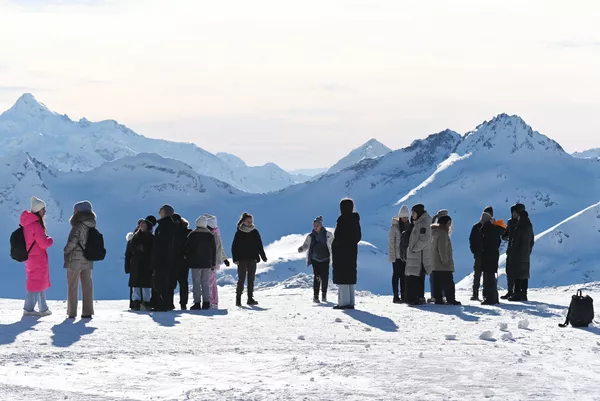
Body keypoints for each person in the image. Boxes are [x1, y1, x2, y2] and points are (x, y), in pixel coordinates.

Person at [20, 197, 54, 317]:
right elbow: (43, 243)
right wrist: (50, 240)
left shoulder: (27, 224)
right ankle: (29, 309)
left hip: (31, 257)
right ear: (38, 210)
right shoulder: (36, 225)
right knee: (35, 282)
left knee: (38, 281)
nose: (45, 211)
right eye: (43, 209)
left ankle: (43, 308)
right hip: (37, 258)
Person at [64, 201, 96, 319]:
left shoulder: (77, 226)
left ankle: (72, 312)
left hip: (75, 259)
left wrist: (66, 250)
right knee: (87, 285)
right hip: (88, 259)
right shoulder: (91, 225)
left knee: (72, 286)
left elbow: (72, 243)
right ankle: (87, 311)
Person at [231, 212, 267, 307]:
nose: (250, 223)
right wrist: (235, 258)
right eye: (248, 221)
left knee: (251, 279)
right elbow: (234, 247)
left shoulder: (255, 232)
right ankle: (238, 299)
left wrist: (263, 256)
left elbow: (259, 244)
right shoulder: (239, 232)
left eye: (251, 221)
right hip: (242, 259)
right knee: (241, 279)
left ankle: (250, 298)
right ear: (243, 221)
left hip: (252, 258)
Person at [332, 198, 362, 310]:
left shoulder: (343, 220)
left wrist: (336, 246)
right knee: (349, 277)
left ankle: (344, 303)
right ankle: (350, 302)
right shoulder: (355, 220)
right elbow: (358, 237)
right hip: (352, 252)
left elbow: (338, 236)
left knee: (343, 277)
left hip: (342, 253)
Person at [298, 216, 334, 303]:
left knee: (325, 277)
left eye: (317, 225)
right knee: (317, 276)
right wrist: (302, 248)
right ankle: (315, 296)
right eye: (314, 225)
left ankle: (324, 295)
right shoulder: (310, 236)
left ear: (321, 225)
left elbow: (333, 244)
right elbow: (306, 245)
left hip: (325, 259)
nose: (315, 226)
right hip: (315, 259)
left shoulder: (328, 235)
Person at [185, 215, 217, 310]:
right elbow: (213, 251)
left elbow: (187, 249)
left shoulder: (192, 235)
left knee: (196, 283)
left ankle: (197, 303)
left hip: (195, 263)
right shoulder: (210, 235)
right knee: (205, 283)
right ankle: (206, 302)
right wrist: (213, 263)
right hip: (207, 263)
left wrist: (188, 258)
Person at [126, 216, 156, 311]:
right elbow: (130, 251)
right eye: (141, 224)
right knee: (136, 284)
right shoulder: (135, 237)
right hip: (136, 263)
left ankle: (146, 302)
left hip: (146, 263)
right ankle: (136, 302)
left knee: (145, 284)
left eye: (144, 224)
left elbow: (153, 250)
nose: (141, 226)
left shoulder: (151, 237)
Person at [151, 204, 177, 312]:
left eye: (160, 210)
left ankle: (161, 303)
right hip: (166, 258)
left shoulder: (165, 226)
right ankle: (164, 303)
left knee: (160, 281)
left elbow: (162, 244)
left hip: (162, 258)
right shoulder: (168, 225)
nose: (159, 211)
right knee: (163, 280)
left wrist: (156, 256)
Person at [430, 215, 461, 305]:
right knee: (448, 282)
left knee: (437, 283)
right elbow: (442, 249)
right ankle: (451, 299)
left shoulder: (435, 232)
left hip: (435, 263)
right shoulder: (443, 233)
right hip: (442, 264)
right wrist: (445, 261)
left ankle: (438, 299)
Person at [405, 204, 432, 306]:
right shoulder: (418, 222)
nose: (412, 215)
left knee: (416, 276)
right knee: (414, 276)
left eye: (413, 213)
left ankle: (416, 298)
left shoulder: (424, 222)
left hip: (419, 255)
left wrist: (414, 249)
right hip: (415, 255)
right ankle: (415, 297)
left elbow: (425, 239)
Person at [479, 212, 506, 305]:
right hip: (492, 255)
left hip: (489, 256)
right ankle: (492, 297)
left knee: (489, 277)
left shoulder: (489, 229)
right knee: (489, 276)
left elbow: (483, 231)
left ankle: (490, 298)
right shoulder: (494, 229)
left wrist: (487, 224)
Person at [508, 208, 535, 302]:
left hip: (517, 254)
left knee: (517, 275)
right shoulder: (529, 226)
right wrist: (528, 251)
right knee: (524, 275)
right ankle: (524, 294)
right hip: (526, 254)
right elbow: (532, 240)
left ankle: (517, 294)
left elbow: (515, 241)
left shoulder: (519, 227)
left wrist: (510, 251)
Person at [469, 206, 494, 301]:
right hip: (482, 254)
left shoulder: (477, 226)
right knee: (480, 274)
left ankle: (480, 293)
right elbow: (472, 240)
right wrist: (475, 250)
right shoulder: (478, 227)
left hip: (483, 254)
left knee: (481, 274)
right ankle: (478, 293)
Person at [205, 214, 230, 309]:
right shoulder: (216, 232)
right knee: (211, 282)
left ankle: (211, 301)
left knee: (209, 282)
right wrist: (224, 258)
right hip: (214, 261)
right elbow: (221, 248)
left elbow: (219, 248)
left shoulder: (213, 234)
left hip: (211, 261)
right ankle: (213, 301)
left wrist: (224, 258)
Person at [388, 205, 410, 304]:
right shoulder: (394, 227)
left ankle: (404, 295)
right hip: (397, 256)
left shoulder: (408, 227)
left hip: (405, 256)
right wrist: (392, 256)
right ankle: (396, 295)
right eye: (403, 217)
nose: (405, 219)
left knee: (404, 276)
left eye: (406, 217)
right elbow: (391, 243)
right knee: (396, 275)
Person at [501, 203, 523, 299]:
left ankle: (517, 291)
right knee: (509, 271)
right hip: (510, 250)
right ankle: (510, 291)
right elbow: (505, 235)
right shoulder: (510, 222)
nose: (514, 214)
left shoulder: (522, 223)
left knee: (517, 272)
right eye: (513, 212)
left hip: (518, 251)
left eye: (515, 212)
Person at [170, 213, 192, 310]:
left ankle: (170, 302)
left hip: (172, 261)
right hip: (184, 261)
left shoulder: (170, 232)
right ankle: (183, 303)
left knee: (171, 283)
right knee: (183, 283)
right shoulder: (187, 232)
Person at [428, 209, 448, 303]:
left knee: (435, 276)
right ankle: (439, 295)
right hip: (437, 256)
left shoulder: (434, 228)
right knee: (439, 276)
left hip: (432, 255)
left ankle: (435, 295)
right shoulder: (441, 230)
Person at [125, 218, 145, 310]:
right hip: (144, 264)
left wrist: (127, 267)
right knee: (145, 284)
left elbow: (128, 254)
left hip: (134, 264)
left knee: (134, 284)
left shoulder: (132, 238)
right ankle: (144, 302)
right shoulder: (149, 236)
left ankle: (134, 303)